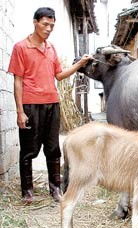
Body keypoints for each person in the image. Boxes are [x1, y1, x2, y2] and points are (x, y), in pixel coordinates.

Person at [8, 7, 92, 204]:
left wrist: (79, 64)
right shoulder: (21, 47)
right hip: (30, 105)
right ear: (35, 22)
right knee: (29, 149)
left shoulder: (51, 48)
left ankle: (55, 189)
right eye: (45, 24)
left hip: (52, 103)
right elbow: (18, 81)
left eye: (52, 25)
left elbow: (59, 75)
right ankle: (27, 191)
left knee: (53, 149)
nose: (48, 28)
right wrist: (20, 111)